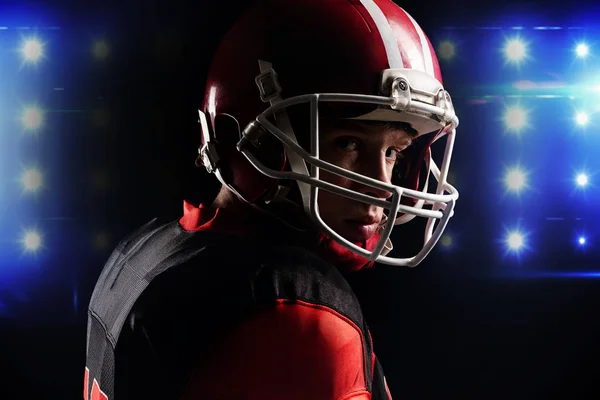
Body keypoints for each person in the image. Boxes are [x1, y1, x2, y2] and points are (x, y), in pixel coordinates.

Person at [83, 0, 459, 399]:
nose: (383, 186)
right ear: (259, 142)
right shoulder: (295, 313)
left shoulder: (141, 250)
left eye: (393, 152)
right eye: (348, 143)